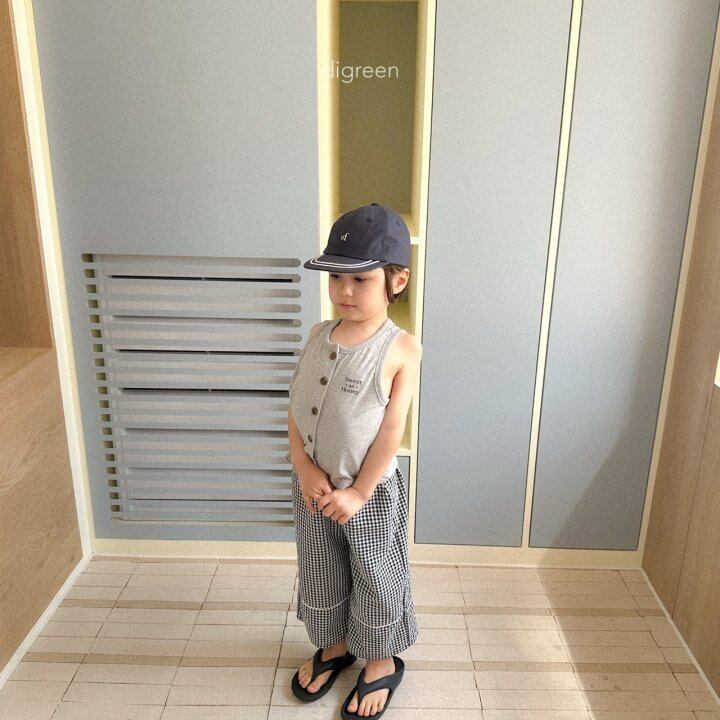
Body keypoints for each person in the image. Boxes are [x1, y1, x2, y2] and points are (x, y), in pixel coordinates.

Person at [287, 202, 422, 719]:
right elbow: (296, 408)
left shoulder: (400, 348)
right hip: (314, 489)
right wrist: (305, 468)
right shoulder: (317, 335)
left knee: (374, 573)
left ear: (396, 280)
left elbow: (391, 430)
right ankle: (336, 644)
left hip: (368, 494)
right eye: (336, 278)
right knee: (320, 567)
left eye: (360, 280)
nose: (344, 291)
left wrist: (360, 492)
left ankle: (381, 659)